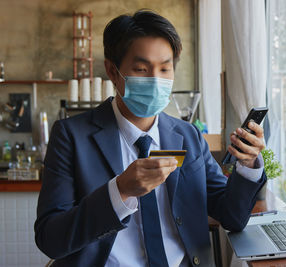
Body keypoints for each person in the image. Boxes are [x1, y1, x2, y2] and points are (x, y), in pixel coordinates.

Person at [35, 10, 266, 267]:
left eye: (165, 69)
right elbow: (50, 238)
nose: (156, 80)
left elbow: (231, 217)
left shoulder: (188, 136)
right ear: (113, 71)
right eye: (141, 69)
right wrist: (120, 191)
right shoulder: (71, 136)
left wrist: (248, 166)